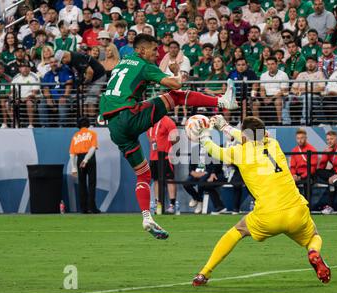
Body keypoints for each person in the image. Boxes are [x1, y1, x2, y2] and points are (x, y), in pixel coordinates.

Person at [97, 34, 238, 239]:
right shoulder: (144, 65)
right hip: (129, 114)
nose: (157, 53)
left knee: (143, 175)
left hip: (114, 127)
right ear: (141, 50)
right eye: (154, 50)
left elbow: (139, 81)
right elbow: (175, 85)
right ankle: (223, 102)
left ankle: (147, 217)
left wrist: (169, 77)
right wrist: (178, 75)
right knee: (176, 96)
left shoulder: (123, 63)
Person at [191, 115, 331, 286]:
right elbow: (249, 136)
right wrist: (226, 127)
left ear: (245, 135)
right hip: (296, 209)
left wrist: (204, 137)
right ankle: (313, 252)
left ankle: (204, 273)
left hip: (268, 215)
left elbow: (215, 151)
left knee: (237, 232)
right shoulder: (273, 144)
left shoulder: (239, 152)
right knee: (314, 237)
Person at [55, 49, 107, 121]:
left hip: (98, 76)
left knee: (90, 100)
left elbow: (90, 72)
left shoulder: (77, 58)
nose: (62, 63)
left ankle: (91, 123)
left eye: (61, 61)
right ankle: (84, 122)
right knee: (82, 101)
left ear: (65, 57)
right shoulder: (69, 61)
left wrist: (84, 84)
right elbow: (79, 72)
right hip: (88, 78)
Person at [147, 115, 179, 214]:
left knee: (169, 179)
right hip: (154, 156)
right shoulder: (150, 122)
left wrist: (168, 146)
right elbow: (149, 137)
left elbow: (176, 137)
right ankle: (158, 205)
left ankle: (172, 205)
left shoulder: (167, 121)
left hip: (166, 156)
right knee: (156, 180)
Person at [184, 143, 227, 215]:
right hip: (197, 172)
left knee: (202, 183)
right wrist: (192, 172)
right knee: (186, 183)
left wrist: (209, 173)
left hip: (207, 172)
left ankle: (200, 202)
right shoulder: (195, 149)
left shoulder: (213, 148)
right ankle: (197, 199)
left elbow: (216, 165)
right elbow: (191, 166)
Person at [69, 117, 101, 214]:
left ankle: (84, 208)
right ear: (88, 124)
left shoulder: (75, 136)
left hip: (79, 159)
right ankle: (92, 208)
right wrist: (86, 159)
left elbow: (72, 154)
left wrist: (74, 167)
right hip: (90, 158)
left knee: (82, 184)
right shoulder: (92, 134)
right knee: (92, 183)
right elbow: (93, 148)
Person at [41, 56, 74, 127]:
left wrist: (64, 96)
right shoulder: (47, 75)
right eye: (51, 62)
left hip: (64, 95)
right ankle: (45, 126)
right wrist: (48, 98)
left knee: (63, 103)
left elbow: (69, 85)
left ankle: (62, 126)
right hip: (52, 97)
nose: (54, 64)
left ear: (59, 62)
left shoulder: (66, 71)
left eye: (55, 62)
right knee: (42, 103)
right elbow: (45, 88)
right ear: (49, 64)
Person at [293, 56, 326, 125]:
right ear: (306, 64)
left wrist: (306, 90)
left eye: (312, 62)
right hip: (300, 96)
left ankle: (304, 121)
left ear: (316, 64)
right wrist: (296, 92)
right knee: (286, 98)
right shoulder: (301, 74)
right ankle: (285, 122)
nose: (310, 64)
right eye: (308, 62)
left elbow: (321, 88)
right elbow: (293, 88)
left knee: (308, 97)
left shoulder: (320, 74)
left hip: (315, 96)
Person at [259, 56, 289, 125]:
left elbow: (283, 91)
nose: (270, 66)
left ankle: (279, 122)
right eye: (268, 64)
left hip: (279, 95)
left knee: (278, 101)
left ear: (277, 64)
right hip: (267, 96)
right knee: (255, 103)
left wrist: (271, 99)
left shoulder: (283, 75)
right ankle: (258, 124)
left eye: (272, 64)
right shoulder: (263, 75)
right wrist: (264, 98)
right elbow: (262, 90)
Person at [289, 128, 318, 198]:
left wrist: (301, 177)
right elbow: (292, 166)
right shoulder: (294, 150)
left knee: (307, 183)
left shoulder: (312, 149)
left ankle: (308, 206)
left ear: (306, 138)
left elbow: (312, 168)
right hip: (298, 174)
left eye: (302, 138)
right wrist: (294, 175)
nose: (300, 140)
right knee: (288, 182)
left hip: (309, 173)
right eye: (298, 138)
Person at [11, 62, 40, 128]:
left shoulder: (34, 76)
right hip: (19, 98)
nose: (25, 69)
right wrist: (15, 98)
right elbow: (13, 91)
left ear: (30, 69)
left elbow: (34, 93)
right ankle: (16, 124)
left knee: (29, 103)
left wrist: (26, 98)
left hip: (32, 98)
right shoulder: (16, 77)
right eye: (23, 67)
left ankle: (30, 124)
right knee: (8, 104)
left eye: (27, 67)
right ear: (19, 69)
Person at [0, 61, 12, 128]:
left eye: (0, 68)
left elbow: (8, 92)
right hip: (0, 96)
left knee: (3, 101)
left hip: (4, 98)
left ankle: (5, 123)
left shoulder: (8, 78)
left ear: (3, 69)